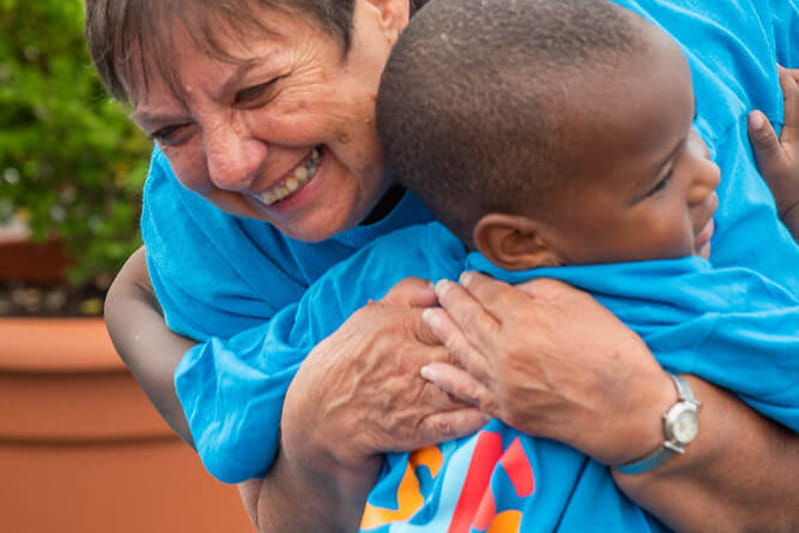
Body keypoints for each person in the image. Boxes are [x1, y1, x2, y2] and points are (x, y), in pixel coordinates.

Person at [88, 0, 799, 531]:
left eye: (257, 91)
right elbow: (271, 497)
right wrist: (314, 429)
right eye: (172, 129)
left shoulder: (624, 102)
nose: (229, 163)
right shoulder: (208, 219)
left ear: (383, 9)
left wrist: (638, 409)